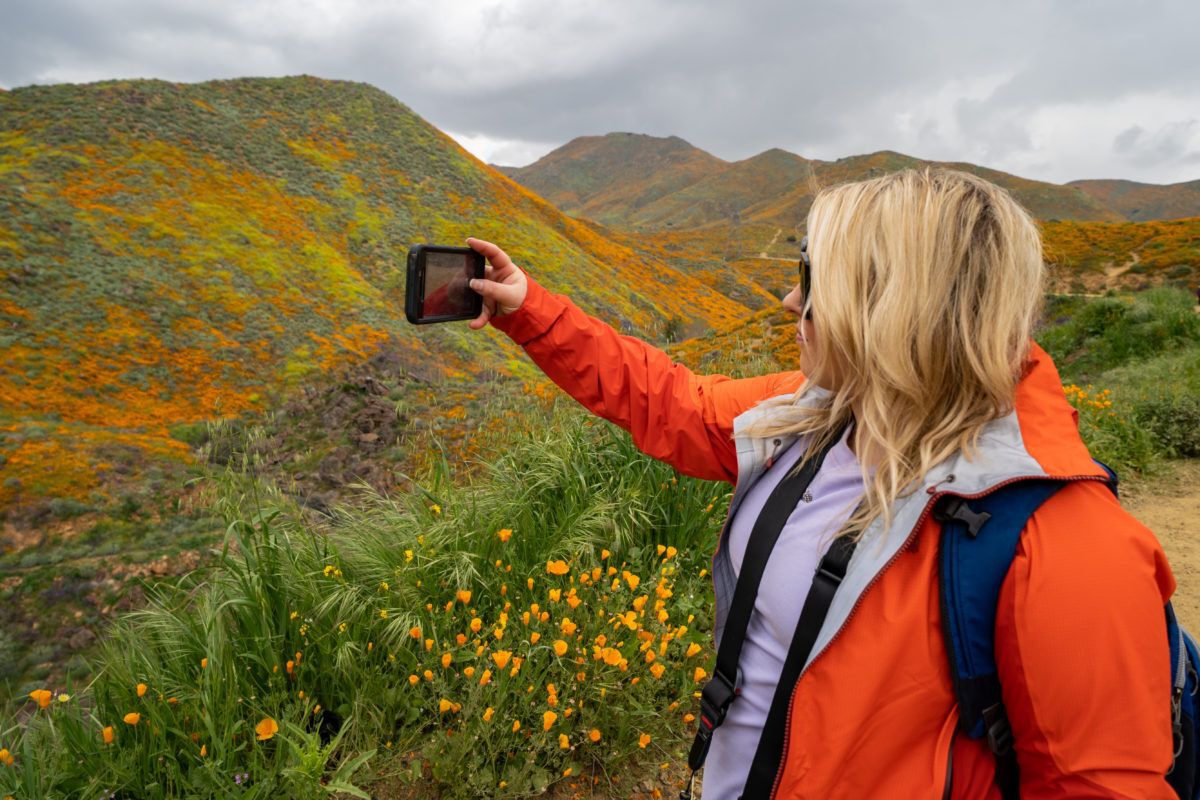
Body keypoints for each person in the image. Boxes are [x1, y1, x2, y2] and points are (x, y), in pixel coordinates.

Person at [463, 168, 1177, 798]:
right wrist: (529, 309)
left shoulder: (1067, 540)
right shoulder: (817, 415)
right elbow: (671, 401)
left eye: (810, 279)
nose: (785, 301)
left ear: (893, 309)